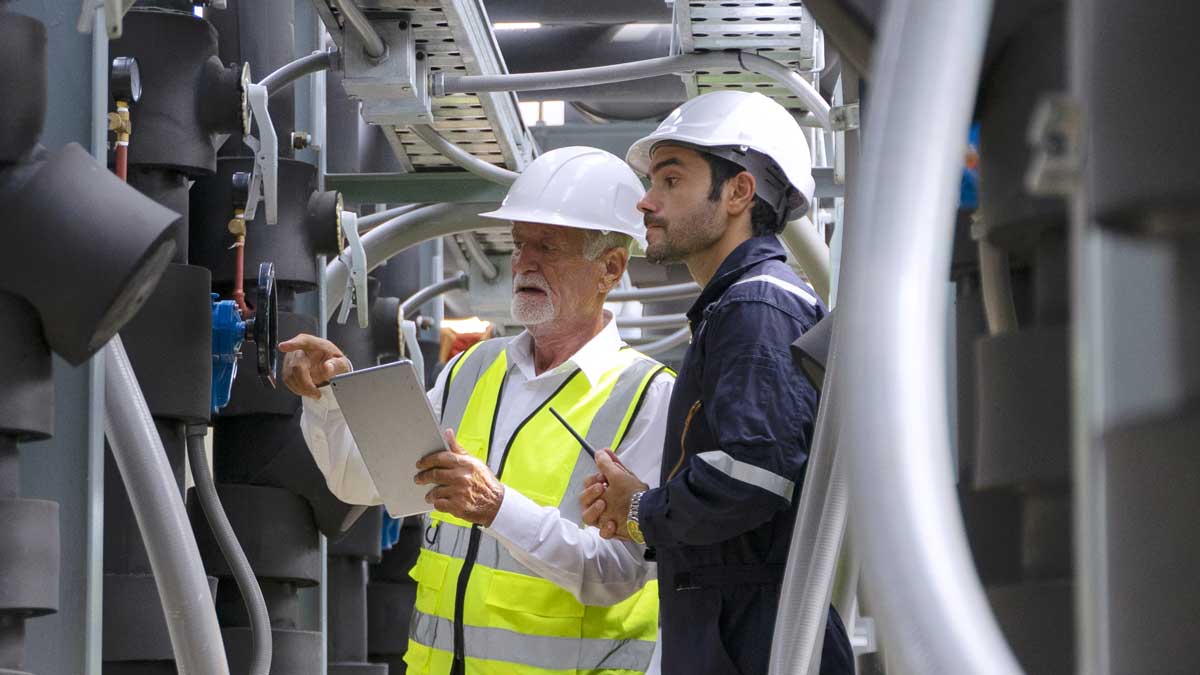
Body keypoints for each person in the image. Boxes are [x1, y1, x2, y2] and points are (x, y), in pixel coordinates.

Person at [281, 146, 674, 675]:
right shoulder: (473, 369)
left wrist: (496, 508)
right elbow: (360, 483)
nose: (524, 263)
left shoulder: (648, 395)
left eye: (548, 247)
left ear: (609, 268)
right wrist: (327, 398)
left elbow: (618, 574)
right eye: (519, 245)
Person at [579, 91, 856, 674]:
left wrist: (643, 510)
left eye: (671, 181)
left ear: (738, 192)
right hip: (742, 628)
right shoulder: (743, 305)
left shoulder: (756, 307)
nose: (647, 201)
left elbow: (753, 474)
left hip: (751, 636)